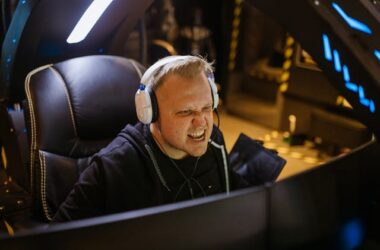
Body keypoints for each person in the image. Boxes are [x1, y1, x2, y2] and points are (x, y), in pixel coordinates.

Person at [52, 55, 247, 222]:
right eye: (186, 112)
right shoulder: (113, 168)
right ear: (150, 113)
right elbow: (57, 239)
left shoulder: (214, 141)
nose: (201, 123)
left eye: (206, 108)